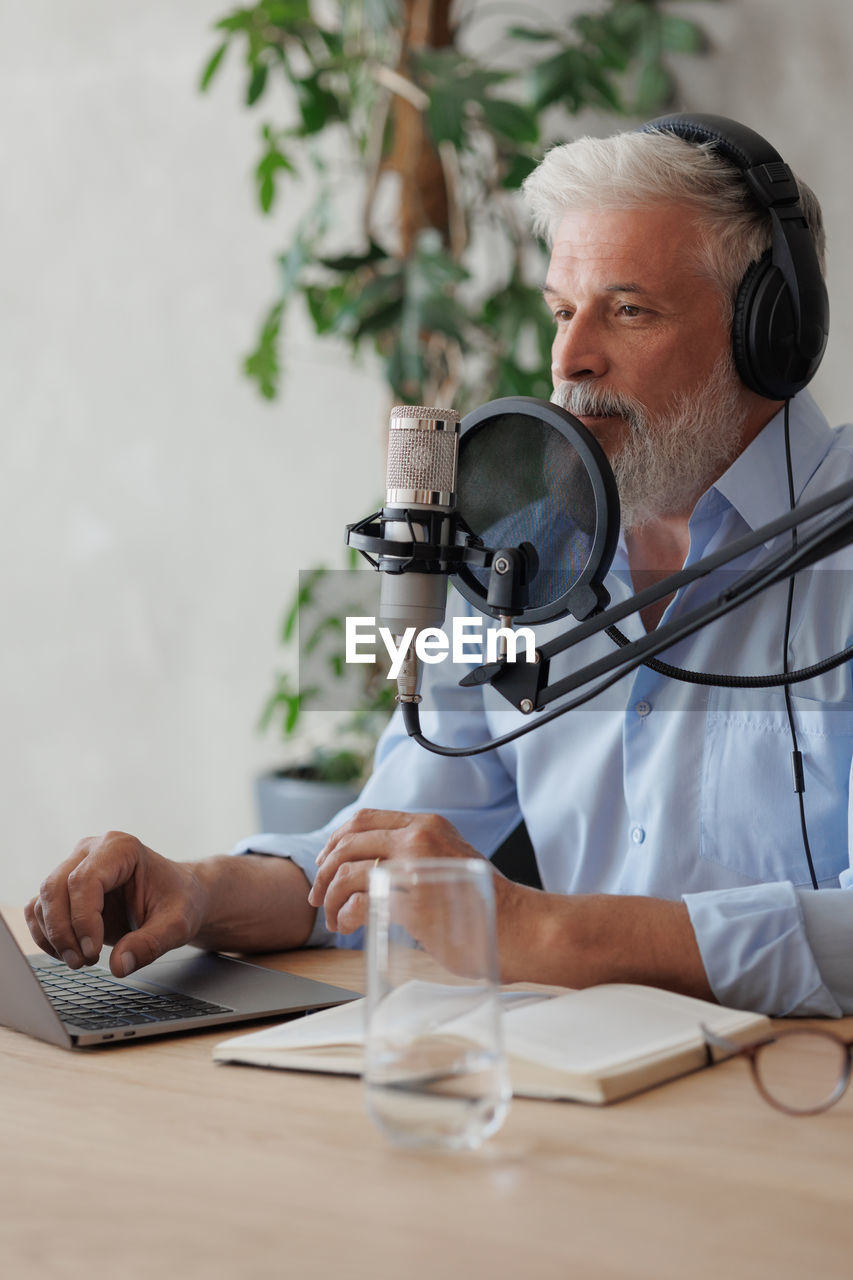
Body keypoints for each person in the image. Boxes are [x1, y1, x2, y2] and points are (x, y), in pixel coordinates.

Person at [26, 116, 853, 1017]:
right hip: (582, 1092)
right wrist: (198, 890)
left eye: (628, 309)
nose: (569, 361)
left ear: (768, 331)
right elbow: (379, 860)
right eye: (562, 311)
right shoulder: (522, 556)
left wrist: (546, 933)